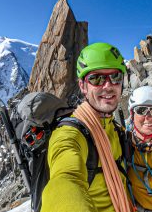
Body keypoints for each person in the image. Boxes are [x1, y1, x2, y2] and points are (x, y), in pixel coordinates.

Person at [41, 42, 131, 212]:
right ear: (82, 86)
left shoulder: (116, 130)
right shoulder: (70, 134)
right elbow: (65, 179)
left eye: (116, 77)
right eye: (96, 78)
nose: (108, 85)